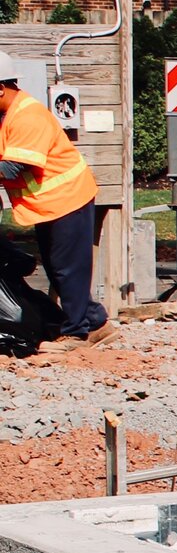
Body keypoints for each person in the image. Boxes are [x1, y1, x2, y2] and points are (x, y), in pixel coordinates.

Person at [0, 58, 109, 344]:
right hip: (50, 203)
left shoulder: (27, 116)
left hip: (67, 199)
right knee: (59, 268)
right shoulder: (9, 115)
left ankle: (76, 334)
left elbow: (13, 167)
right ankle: (96, 321)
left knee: (67, 267)